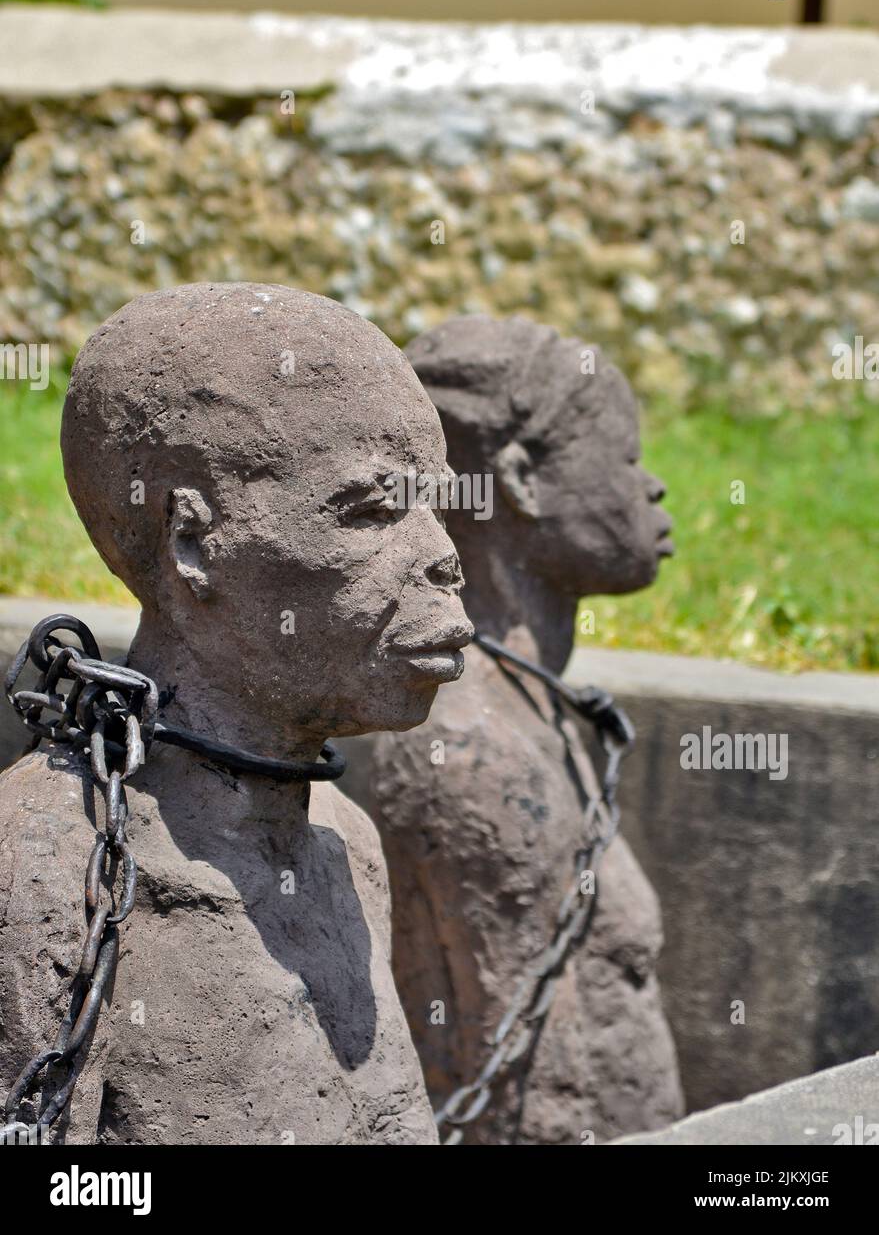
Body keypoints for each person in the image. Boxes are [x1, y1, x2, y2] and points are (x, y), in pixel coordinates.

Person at [0, 282, 472, 1144]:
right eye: (372, 510)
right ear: (192, 540)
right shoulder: (45, 869)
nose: (442, 555)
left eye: (433, 503)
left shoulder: (346, 843)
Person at [368, 315, 683, 1144]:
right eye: (622, 458)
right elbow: (533, 1101)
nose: (650, 485)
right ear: (520, 477)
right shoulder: (475, 754)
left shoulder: (528, 708)